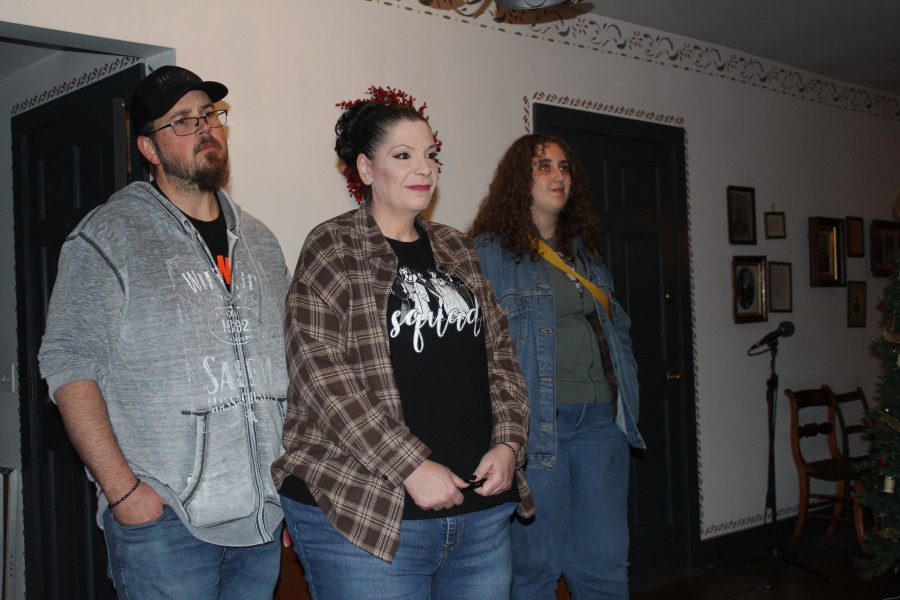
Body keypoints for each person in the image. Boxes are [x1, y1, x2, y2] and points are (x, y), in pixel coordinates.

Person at [38, 66, 290, 598]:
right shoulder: (108, 236)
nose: (204, 128)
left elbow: (290, 365)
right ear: (149, 148)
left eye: (209, 115)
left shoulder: (260, 241)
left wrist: (287, 485)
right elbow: (68, 366)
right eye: (182, 121)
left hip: (262, 520)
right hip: (166, 524)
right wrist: (124, 493)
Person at [272, 101, 534, 599]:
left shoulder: (458, 248)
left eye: (431, 155)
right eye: (403, 155)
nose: (424, 168)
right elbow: (321, 377)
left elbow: (501, 355)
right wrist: (409, 465)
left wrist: (509, 444)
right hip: (369, 513)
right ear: (367, 168)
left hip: (479, 517)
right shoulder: (333, 245)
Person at [471, 133, 646, 599]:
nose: (558, 176)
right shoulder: (489, 253)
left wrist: (626, 386)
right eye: (543, 166)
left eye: (564, 167)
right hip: (536, 429)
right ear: (519, 180)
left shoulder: (583, 253)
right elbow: (474, 344)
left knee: (605, 566)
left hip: (601, 423)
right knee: (534, 568)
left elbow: (618, 324)